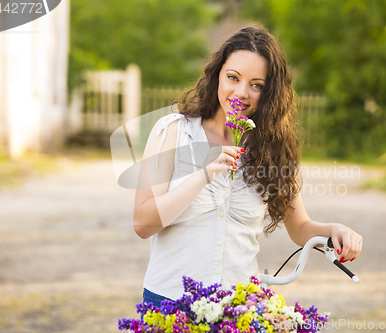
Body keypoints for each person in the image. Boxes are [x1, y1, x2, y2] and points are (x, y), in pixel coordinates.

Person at [133, 25, 362, 308]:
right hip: (170, 305)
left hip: (239, 309)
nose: (241, 92)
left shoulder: (273, 150)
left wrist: (334, 229)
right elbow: (143, 223)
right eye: (233, 77)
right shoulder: (173, 131)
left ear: (269, 93)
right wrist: (204, 175)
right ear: (217, 74)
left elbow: (300, 227)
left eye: (256, 85)